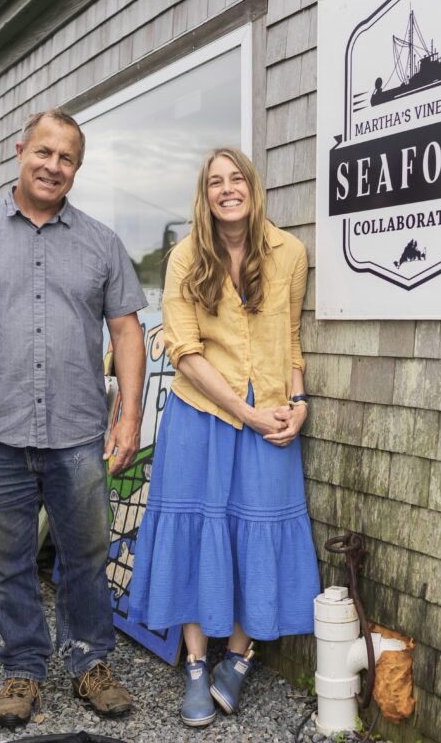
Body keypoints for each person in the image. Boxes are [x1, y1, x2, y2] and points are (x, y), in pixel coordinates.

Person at [0, 108, 147, 730]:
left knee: (86, 556)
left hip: (77, 433)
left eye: (67, 158)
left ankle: (88, 661)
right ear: (20, 152)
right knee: (4, 560)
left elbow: (127, 332)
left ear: (77, 168)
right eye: (43, 153)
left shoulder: (101, 242)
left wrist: (128, 417)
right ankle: (23, 665)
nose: (53, 166)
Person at [128, 147, 320, 726]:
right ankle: (194, 663)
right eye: (216, 181)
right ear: (205, 194)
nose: (228, 189)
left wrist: (298, 403)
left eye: (237, 178)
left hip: (272, 414)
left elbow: (289, 339)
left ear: (252, 187)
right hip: (200, 414)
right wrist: (246, 411)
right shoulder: (186, 257)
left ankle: (237, 657)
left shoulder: (290, 252)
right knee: (196, 530)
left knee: (251, 527)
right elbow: (184, 352)